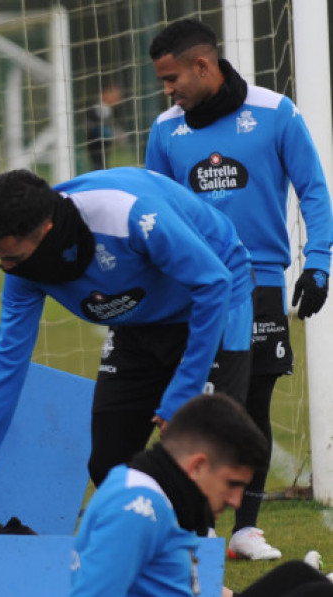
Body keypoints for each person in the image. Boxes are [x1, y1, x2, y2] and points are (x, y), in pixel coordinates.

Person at [0, 166, 254, 534]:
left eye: (11, 257)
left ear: (46, 231)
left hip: (212, 302)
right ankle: (152, 550)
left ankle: (194, 566)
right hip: (137, 324)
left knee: (202, 452)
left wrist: (184, 391)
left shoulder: (129, 214)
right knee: (109, 461)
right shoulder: (23, 273)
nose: (5, 268)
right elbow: (7, 366)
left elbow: (213, 282)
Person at [145, 18, 333, 560]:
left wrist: (316, 263)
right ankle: (195, 525)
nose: (168, 89)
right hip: (194, 289)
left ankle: (246, 529)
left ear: (203, 65)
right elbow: (154, 211)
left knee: (254, 405)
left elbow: (314, 191)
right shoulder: (165, 130)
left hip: (260, 283)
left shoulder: (276, 113)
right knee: (194, 404)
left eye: (172, 76)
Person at [70, 393, 333, 597]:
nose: (235, 501)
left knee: (297, 575)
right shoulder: (136, 509)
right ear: (197, 466)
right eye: (232, 483)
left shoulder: (159, 493)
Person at [85, 82, 123, 170]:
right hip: (95, 148)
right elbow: (93, 128)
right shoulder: (95, 108)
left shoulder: (111, 110)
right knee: (98, 166)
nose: (118, 99)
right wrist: (108, 132)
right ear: (106, 94)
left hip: (104, 148)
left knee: (104, 165)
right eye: (115, 95)